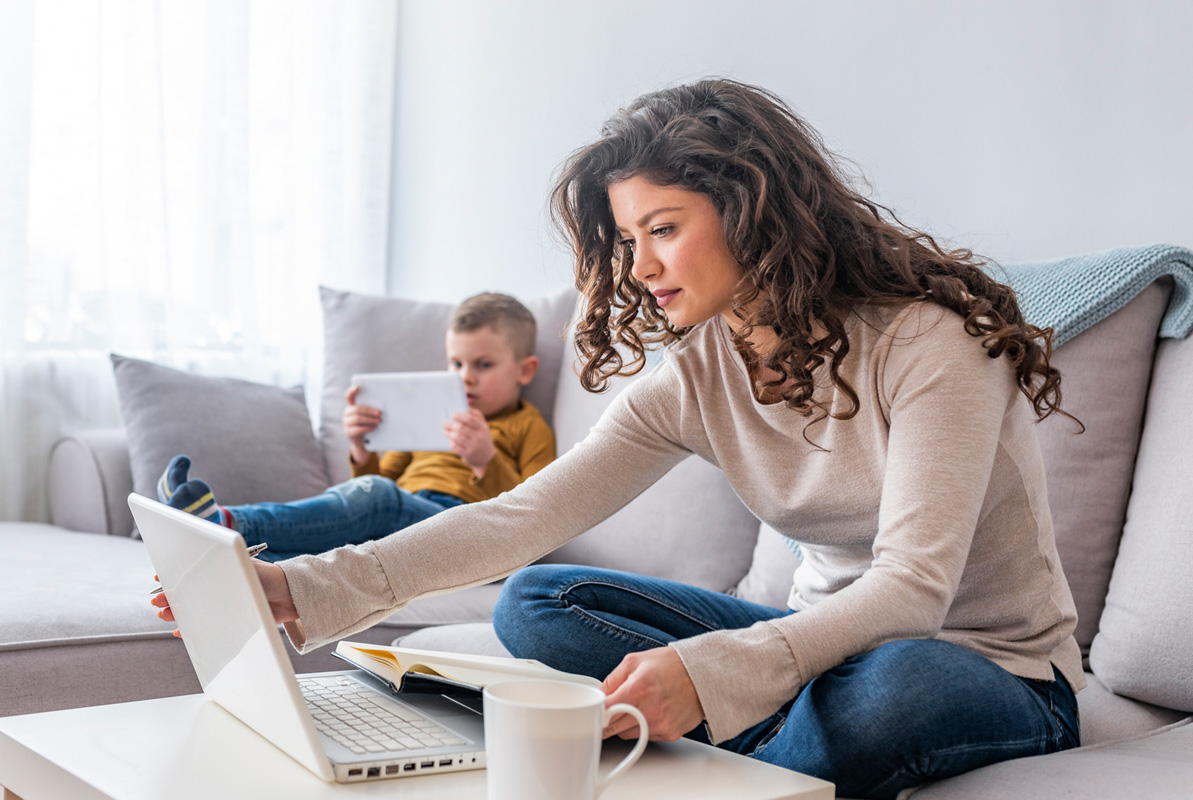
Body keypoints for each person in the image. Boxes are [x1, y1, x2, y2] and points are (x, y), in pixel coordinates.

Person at [154, 79, 1085, 798]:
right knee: (536, 602)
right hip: (812, 645)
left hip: (985, 666)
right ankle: (762, 724)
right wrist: (304, 586)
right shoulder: (699, 373)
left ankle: (742, 740)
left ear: (754, 210)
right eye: (626, 238)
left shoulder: (929, 344)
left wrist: (725, 670)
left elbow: (913, 590)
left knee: (892, 691)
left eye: (663, 229)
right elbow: (523, 516)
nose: (638, 269)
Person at [156, 292, 554, 561]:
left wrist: (486, 461)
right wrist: (362, 448)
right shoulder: (434, 409)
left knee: (379, 497)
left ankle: (223, 523)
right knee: (331, 553)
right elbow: (377, 483)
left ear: (524, 370)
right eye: (457, 363)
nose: (465, 377)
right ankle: (217, 556)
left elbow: (533, 517)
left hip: (467, 531)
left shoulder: (526, 425)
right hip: (402, 520)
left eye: (483, 365)